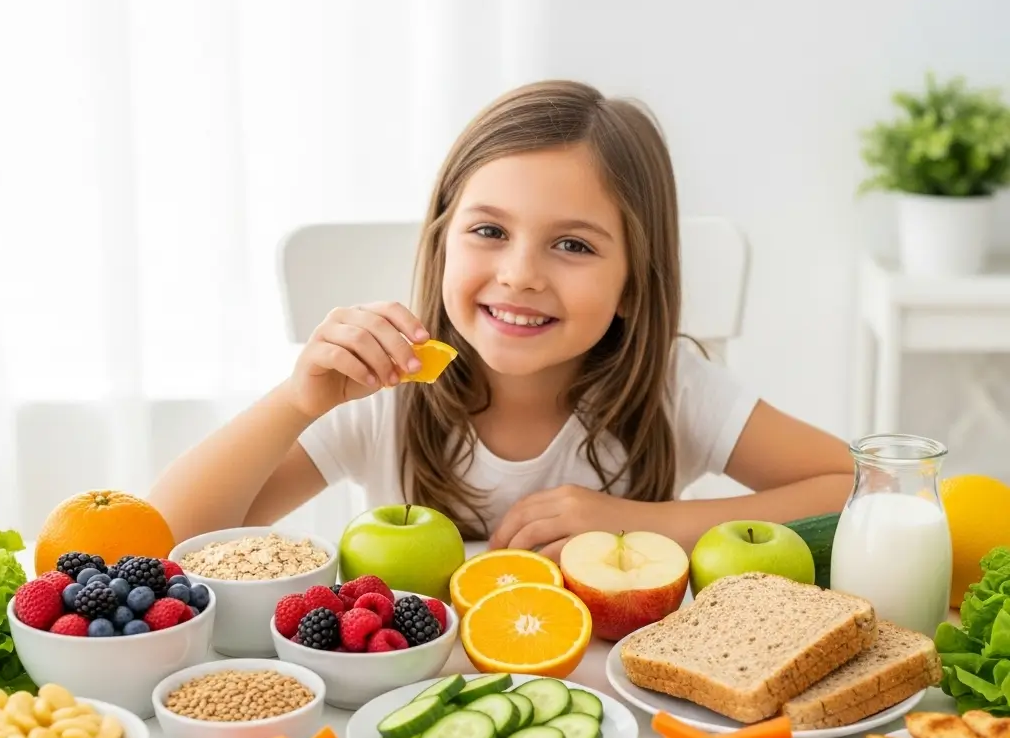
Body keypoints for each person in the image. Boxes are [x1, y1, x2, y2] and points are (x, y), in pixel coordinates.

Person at [150, 80, 853, 562]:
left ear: (635, 282)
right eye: (490, 231)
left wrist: (644, 524)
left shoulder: (676, 388)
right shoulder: (386, 389)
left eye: (573, 245)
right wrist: (295, 401)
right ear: (441, 241)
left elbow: (857, 490)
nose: (520, 273)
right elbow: (160, 544)